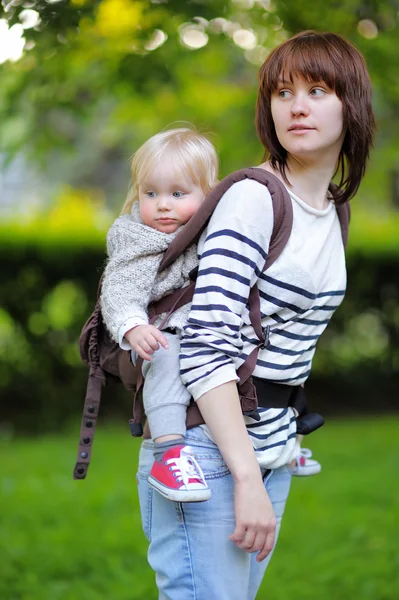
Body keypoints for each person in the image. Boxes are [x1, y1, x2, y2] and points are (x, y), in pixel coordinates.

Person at [135, 30, 375, 599]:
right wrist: (244, 476)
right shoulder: (254, 199)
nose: (297, 105)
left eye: (318, 90)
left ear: (352, 105)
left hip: (271, 447)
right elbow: (205, 341)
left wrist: (276, 450)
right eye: (283, 91)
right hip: (208, 451)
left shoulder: (330, 211)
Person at [100, 127, 219, 502]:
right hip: (155, 335)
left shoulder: (210, 230)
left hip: (198, 329)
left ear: (208, 194)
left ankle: (283, 437)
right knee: (166, 356)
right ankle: (169, 453)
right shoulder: (139, 238)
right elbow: (119, 287)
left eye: (177, 194)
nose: (163, 204)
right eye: (151, 194)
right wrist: (133, 327)